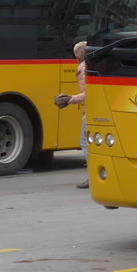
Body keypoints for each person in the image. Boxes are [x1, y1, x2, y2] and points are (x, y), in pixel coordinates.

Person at [55, 41, 88, 189]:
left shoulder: (84, 69)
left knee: (85, 143)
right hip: (91, 110)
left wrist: (72, 99)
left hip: (91, 111)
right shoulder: (89, 67)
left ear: (77, 56)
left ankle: (93, 176)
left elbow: (90, 93)